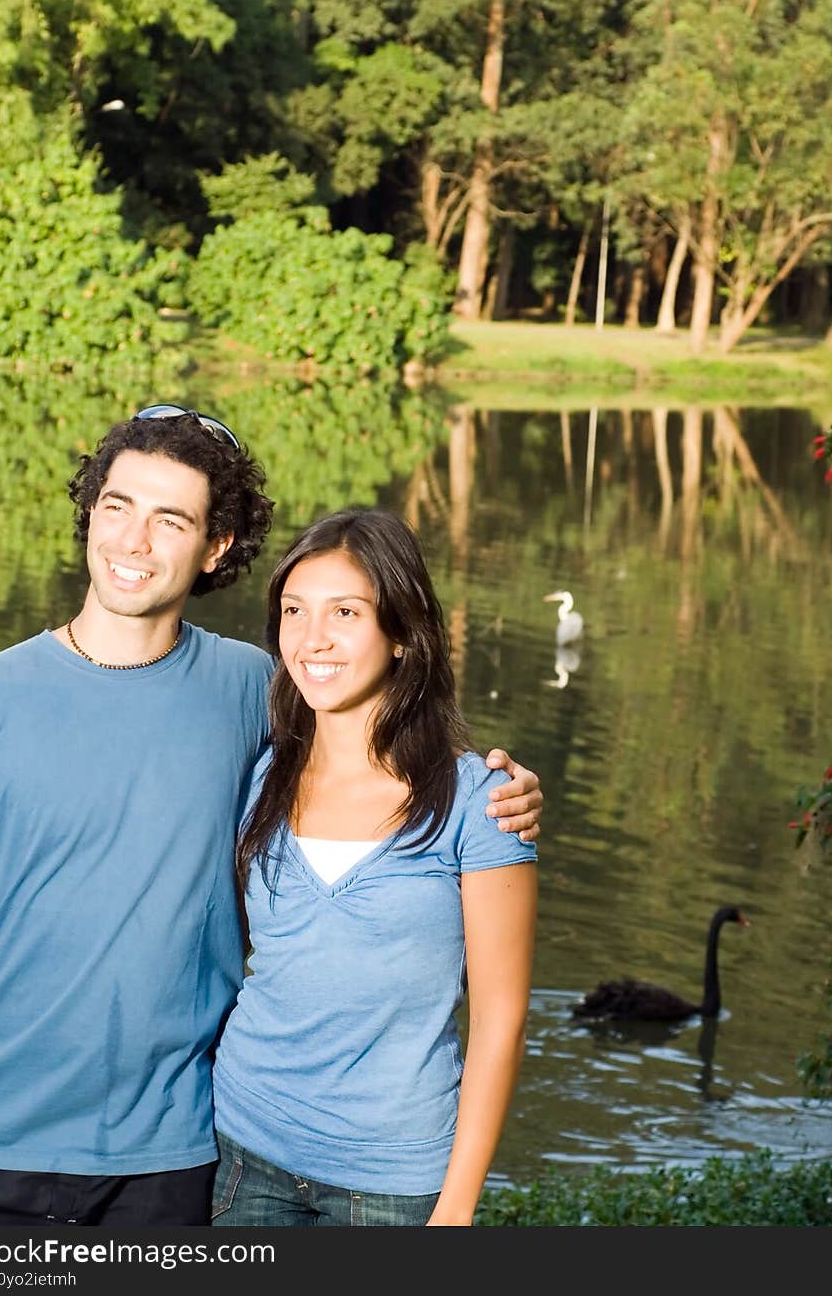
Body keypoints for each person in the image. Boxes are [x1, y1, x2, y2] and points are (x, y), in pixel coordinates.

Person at [0, 405, 542, 1227]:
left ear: (217, 545)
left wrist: (500, 782)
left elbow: (373, 733)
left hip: (176, 1150)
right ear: (90, 510)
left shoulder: (254, 689)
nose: (132, 541)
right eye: (117, 507)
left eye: (171, 520)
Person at [209, 508, 538, 1227]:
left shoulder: (480, 802)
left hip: (392, 1182)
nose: (312, 637)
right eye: (294, 610)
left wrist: (456, 1207)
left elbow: (501, 1019)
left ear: (401, 637)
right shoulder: (261, 776)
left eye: (345, 611)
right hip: (243, 1149)